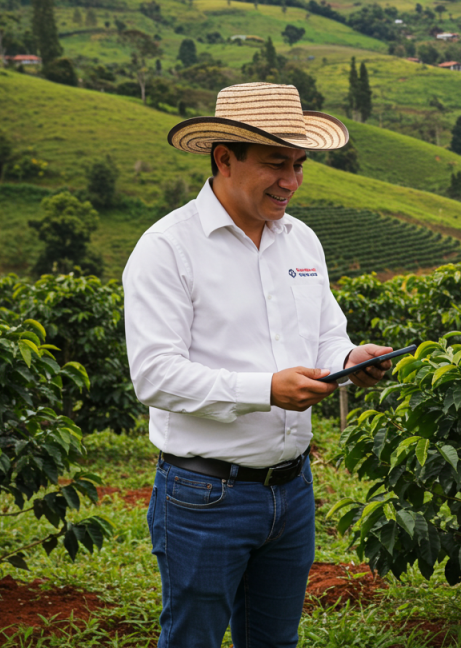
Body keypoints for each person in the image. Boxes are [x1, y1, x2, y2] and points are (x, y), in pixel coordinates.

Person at [123, 82, 395, 648]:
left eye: (298, 165)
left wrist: (349, 360)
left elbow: (325, 334)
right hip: (204, 495)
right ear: (225, 158)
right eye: (276, 164)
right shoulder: (167, 249)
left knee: (275, 640)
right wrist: (265, 390)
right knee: (192, 638)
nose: (291, 181)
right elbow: (155, 374)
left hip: (292, 489)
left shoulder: (301, 242)